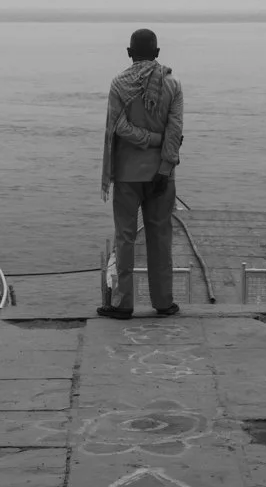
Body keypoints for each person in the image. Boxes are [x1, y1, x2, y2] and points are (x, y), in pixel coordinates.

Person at [98, 28, 184, 320]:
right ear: (158, 53)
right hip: (162, 175)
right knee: (160, 238)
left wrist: (146, 139)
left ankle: (122, 304)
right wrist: (163, 159)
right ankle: (163, 302)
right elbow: (175, 132)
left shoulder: (119, 85)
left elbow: (119, 127)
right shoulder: (172, 85)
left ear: (129, 53)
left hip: (126, 174)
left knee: (124, 238)